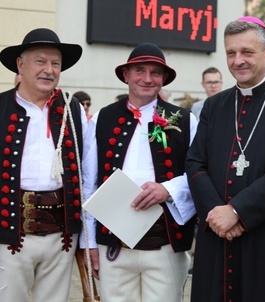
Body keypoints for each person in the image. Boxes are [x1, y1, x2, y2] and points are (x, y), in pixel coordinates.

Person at [185, 16, 265, 301]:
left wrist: (236, 212)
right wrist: (217, 214)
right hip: (216, 232)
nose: (237, 60)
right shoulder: (214, 105)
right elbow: (195, 164)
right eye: (231, 53)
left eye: (247, 52)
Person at [80, 42, 197, 302]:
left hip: (165, 244)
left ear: (164, 79)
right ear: (126, 75)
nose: (147, 78)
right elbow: (89, 183)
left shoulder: (185, 119)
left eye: (155, 73)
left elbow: (199, 175)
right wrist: (88, 244)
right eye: (139, 71)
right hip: (114, 246)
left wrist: (167, 189)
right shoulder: (102, 118)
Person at [0, 28, 86, 302]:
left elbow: (87, 172)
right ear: (21, 65)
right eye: (40, 61)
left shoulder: (73, 110)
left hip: (61, 237)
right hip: (10, 233)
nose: (49, 70)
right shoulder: (1, 107)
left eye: (55, 63)